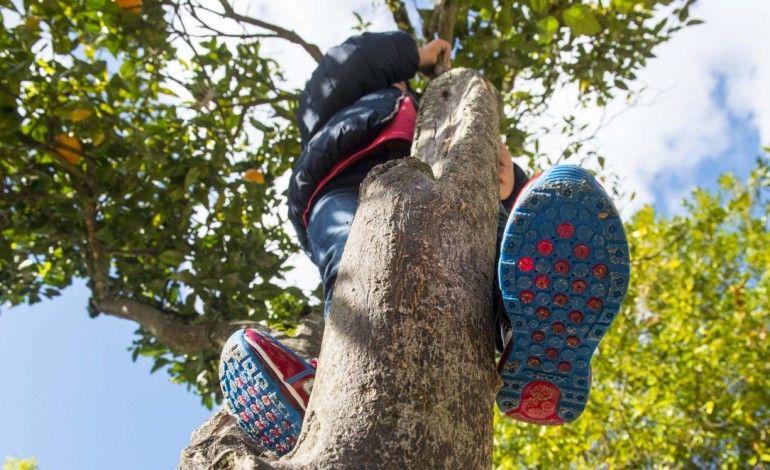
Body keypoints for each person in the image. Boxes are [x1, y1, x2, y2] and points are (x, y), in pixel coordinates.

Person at [218, 31, 630, 455]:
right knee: (352, 266)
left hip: (438, 179)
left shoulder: (436, 115)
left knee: (487, 247)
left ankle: (521, 334)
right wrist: (416, 53)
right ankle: (323, 388)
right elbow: (348, 63)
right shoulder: (340, 109)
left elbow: (527, 206)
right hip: (343, 178)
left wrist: (513, 182)